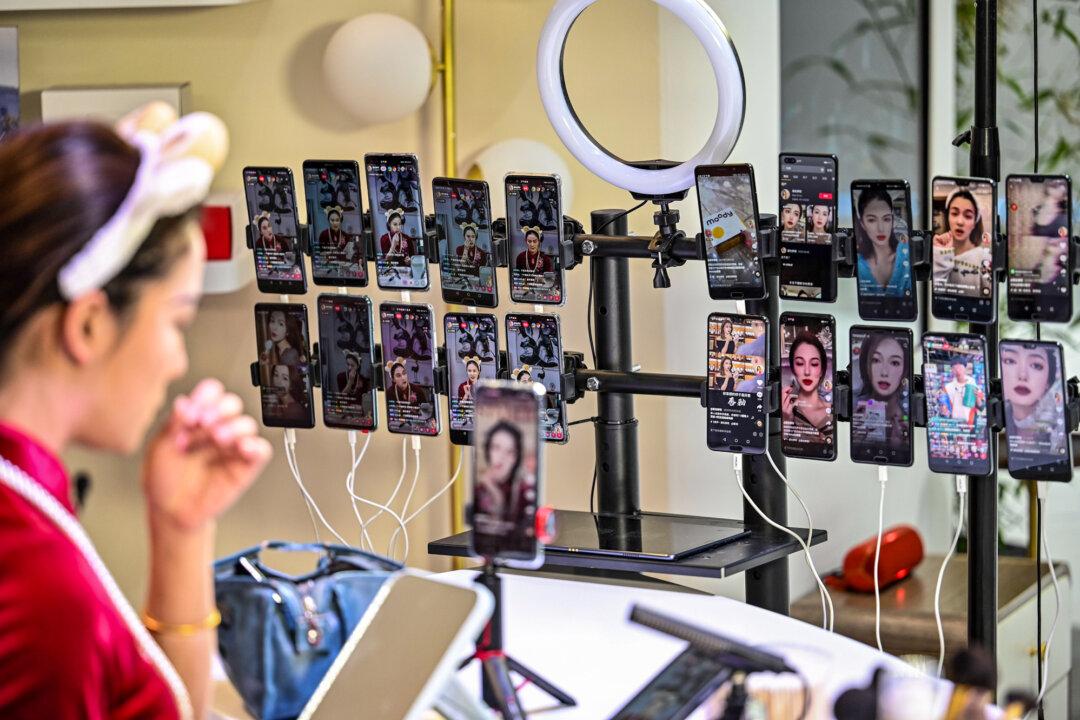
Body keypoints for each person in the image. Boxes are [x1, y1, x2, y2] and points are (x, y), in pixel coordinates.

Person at [0, 104, 271, 719]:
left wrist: (181, 529)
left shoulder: (24, 501)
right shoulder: (38, 587)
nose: (178, 361)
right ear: (90, 324)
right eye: (177, 321)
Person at [473, 420, 534, 531]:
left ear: (516, 458)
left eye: (510, 451)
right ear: (488, 451)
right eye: (496, 448)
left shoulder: (525, 492)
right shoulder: (478, 490)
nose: (502, 457)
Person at [1001, 343, 1062, 452]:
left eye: (1036, 365)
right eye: (1010, 361)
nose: (1022, 375)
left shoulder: (1059, 430)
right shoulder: (991, 429)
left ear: (1048, 381)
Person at [933, 189, 993, 297]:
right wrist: (940, 255)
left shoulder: (985, 258)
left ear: (975, 222)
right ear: (948, 217)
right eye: (954, 213)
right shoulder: (937, 252)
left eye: (968, 216)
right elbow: (933, 295)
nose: (960, 222)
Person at [852, 333, 908, 448]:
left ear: (905, 370)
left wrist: (901, 448)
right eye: (876, 360)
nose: (884, 372)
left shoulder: (910, 414)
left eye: (894, 362)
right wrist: (856, 445)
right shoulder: (854, 410)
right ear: (866, 365)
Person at [855, 188, 912, 298]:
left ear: (892, 220)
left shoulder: (906, 253)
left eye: (886, 219)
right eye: (872, 220)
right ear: (862, 223)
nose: (881, 229)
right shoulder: (858, 263)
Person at [781, 332, 833, 440]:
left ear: (822, 369)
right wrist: (786, 421)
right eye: (800, 363)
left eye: (814, 364)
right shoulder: (786, 410)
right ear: (793, 368)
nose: (807, 372)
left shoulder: (834, 412)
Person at [943, 360, 984, 425]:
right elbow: (944, 407)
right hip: (954, 425)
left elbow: (981, 407)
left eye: (960, 368)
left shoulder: (973, 385)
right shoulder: (948, 387)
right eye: (954, 368)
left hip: (970, 424)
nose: (958, 371)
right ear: (952, 370)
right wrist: (944, 410)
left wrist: (977, 399)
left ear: (965, 368)